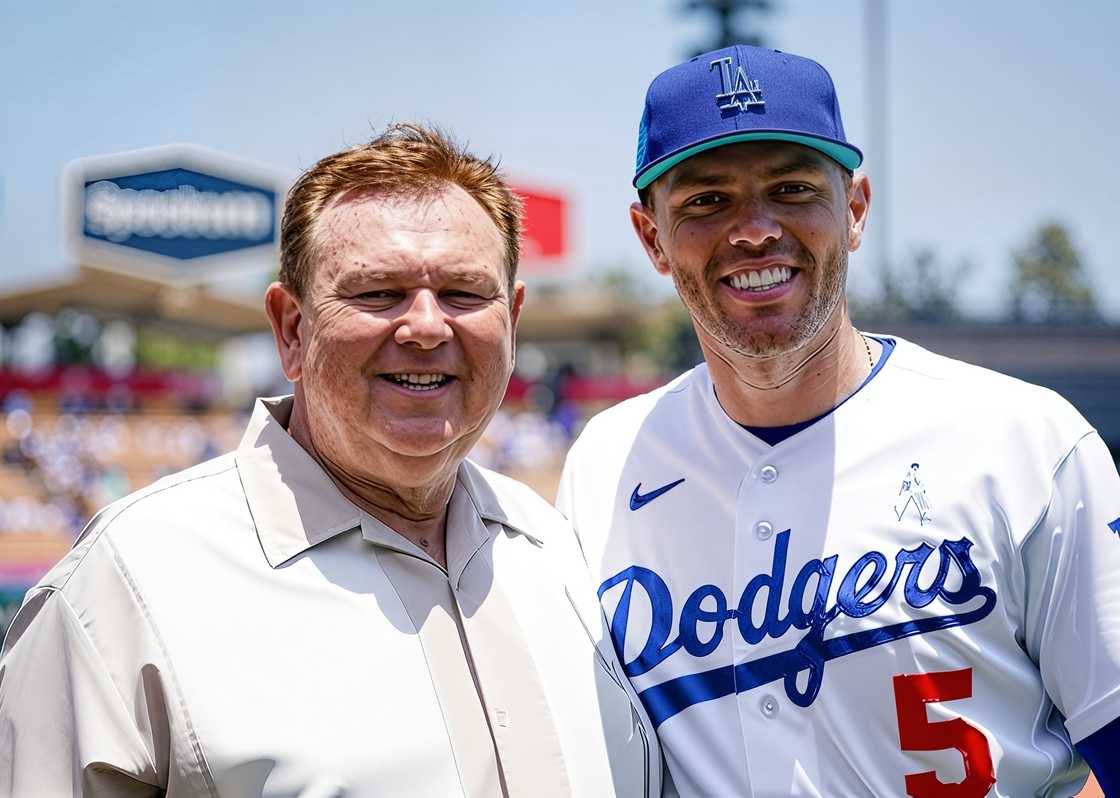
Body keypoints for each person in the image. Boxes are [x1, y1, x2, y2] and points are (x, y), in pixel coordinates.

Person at [0, 124, 661, 797]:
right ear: (291, 328)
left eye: (465, 293)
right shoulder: (126, 585)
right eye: (377, 293)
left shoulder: (555, 551)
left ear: (514, 323)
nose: (428, 327)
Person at [556, 45, 1120, 797]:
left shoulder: (1026, 442)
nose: (754, 230)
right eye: (705, 201)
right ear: (651, 237)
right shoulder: (605, 465)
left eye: (790, 189)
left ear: (853, 210)